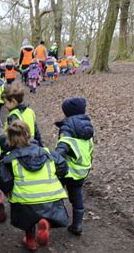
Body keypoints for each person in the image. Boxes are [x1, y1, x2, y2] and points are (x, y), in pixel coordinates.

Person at [0, 120, 69, 251]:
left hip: (24, 200)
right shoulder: (48, 152)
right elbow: (63, 168)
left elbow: (4, 180)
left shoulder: (9, 159)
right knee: (46, 210)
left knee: (27, 218)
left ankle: (30, 241)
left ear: (9, 139)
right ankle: (46, 223)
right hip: (51, 197)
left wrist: (7, 192)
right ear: (29, 135)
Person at [54, 97, 94, 235]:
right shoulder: (87, 128)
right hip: (82, 170)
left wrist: (53, 160)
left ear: (67, 114)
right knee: (76, 196)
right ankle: (77, 225)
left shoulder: (67, 130)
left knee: (55, 193)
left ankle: (54, 218)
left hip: (67, 170)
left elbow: (62, 148)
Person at [2, 82, 43, 146]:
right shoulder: (29, 111)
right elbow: (37, 132)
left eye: (5, 103)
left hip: (20, 148)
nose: (5, 105)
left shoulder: (13, 116)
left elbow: (12, 138)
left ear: (13, 101)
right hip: (33, 145)